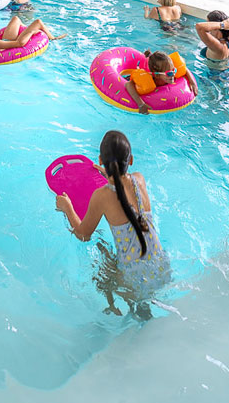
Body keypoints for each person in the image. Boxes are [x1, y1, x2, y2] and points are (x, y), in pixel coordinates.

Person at [55, 130, 171, 317]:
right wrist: (110, 174)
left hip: (133, 282)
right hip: (161, 268)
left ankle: (124, 309)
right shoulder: (139, 179)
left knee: (101, 261)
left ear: (100, 160)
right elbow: (124, 188)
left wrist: (67, 208)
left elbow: (83, 235)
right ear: (131, 160)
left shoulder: (102, 196)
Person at [125, 50, 198, 115]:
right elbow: (128, 84)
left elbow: (184, 69)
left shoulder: (170, 73)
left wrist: (193, 83)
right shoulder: (150, 79)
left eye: (174, 70)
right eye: (169, 73)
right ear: (157, 75)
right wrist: (141, 104)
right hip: (135, 79)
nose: (173, 74)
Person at [0, 14, 65, 55]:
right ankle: (53, 39)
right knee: (38, 22)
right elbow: (19, 43)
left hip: (5, 42)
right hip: (11, 43)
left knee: (16, 19)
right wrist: (31, 32)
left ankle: (25, 29)